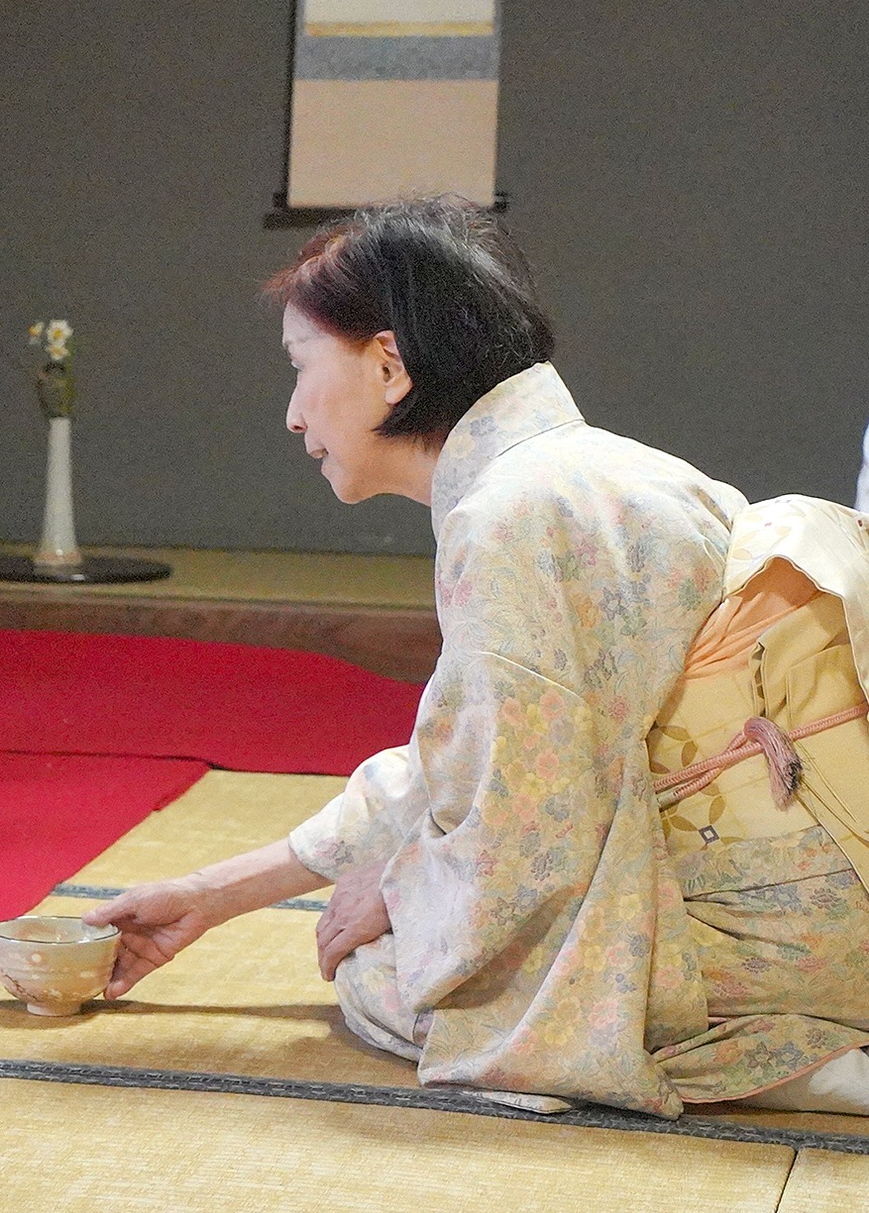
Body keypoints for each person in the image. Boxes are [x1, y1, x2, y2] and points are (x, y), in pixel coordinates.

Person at [87, 196, 869, 1118]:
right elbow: (464, 765)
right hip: (815, 885)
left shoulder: (509, 518)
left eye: (302, 368)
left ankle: (791, 1056)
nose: (295, 413)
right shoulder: (594, 467)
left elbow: (525, 839)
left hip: (785, 934)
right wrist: (216, 893)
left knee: (386, 976)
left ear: (387, 365)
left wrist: (405, 884)